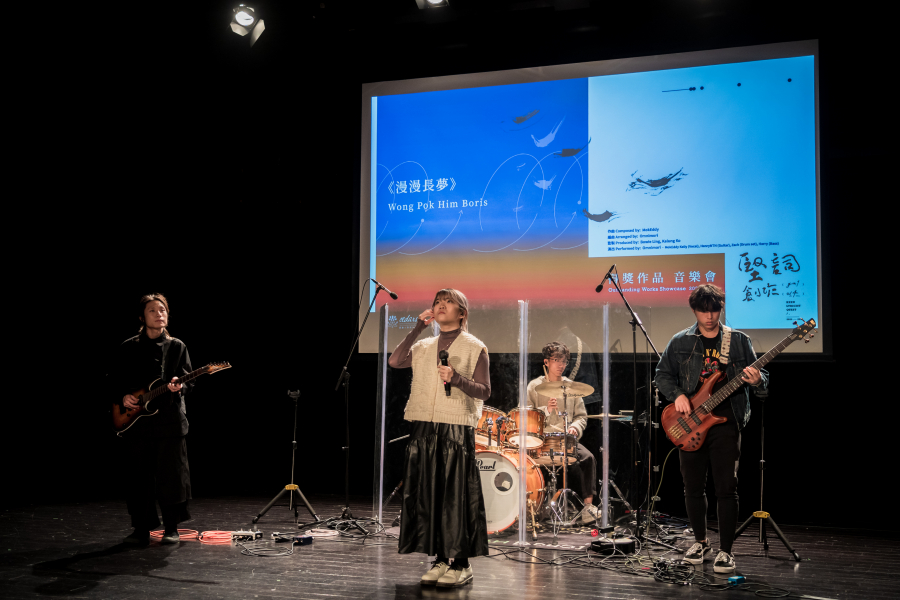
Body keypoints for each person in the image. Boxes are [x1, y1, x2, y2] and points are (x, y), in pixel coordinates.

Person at [655, 284, 768, 574]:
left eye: (714, 310)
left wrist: (757, 381)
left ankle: (726, 551)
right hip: (691, 422)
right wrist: (678, 396)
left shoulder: (738, 341)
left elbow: (762, 380)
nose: (709, 316)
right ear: (694, 310)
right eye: (703, 311)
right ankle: (700, 542)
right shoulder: (680, 341)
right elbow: (662, 375)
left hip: (726, 423)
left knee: (726, 488)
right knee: (692, 487)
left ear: (721, 309)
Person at [388, 289, 490, 588]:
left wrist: (455, 378)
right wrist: (417, 328)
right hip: (424, 425)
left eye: (448, 302)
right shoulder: (424, 345)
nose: (441, 305)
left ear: (462, 313)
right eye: (437, 302)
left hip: (455, 425)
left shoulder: (475, 346)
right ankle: (441, 559)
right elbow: (395, 361)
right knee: (428, 494)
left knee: (454, 497)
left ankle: (462, 563)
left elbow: (485, 390)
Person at [108, 294, 194, 545]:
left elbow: (189, 380)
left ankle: (171, 528)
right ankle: (141, 528)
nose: (159, 314)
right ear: (141, 317)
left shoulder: (177, 346)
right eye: (153, 311)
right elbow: (113, 380)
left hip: (170, 422)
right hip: (138, 423)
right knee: (138, 477)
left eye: (163, 310)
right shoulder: (128, 347)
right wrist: (122, 396)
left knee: (172, 477)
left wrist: (180, 386)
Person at [526, 341, 599, 523]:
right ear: (546, 362)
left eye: (564, 361)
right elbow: (526, 415)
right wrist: (546, 410)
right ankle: (533, 507)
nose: (561, 365)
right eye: (556, 360)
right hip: (542, 440)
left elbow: (581, 416)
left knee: (588, 458)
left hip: (566, 439)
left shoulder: (572, 386)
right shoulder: (534, 386)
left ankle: (588, 508)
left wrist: (575, 427)